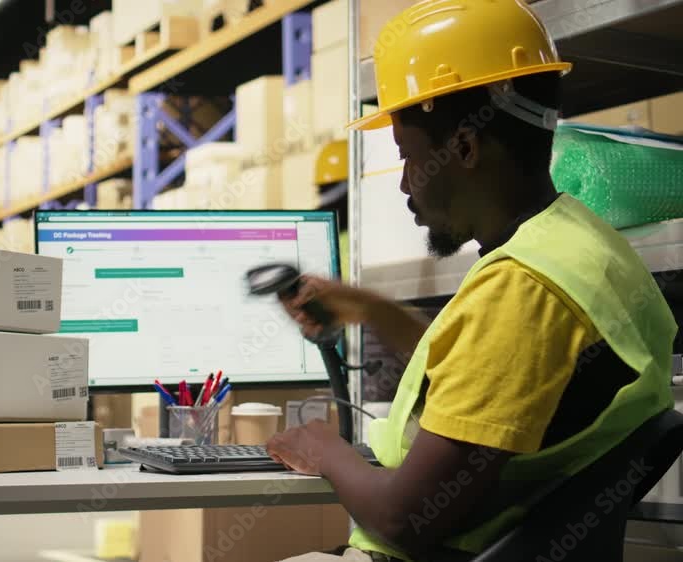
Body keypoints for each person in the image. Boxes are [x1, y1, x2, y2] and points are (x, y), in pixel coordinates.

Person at [266, 1, 678, 561]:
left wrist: (326, 450)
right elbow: (489, 378)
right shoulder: (581, 247)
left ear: (465, 147)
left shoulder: (524, 288)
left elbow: (402, 520)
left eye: (409, 157)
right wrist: (371, 309)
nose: (407, 184)